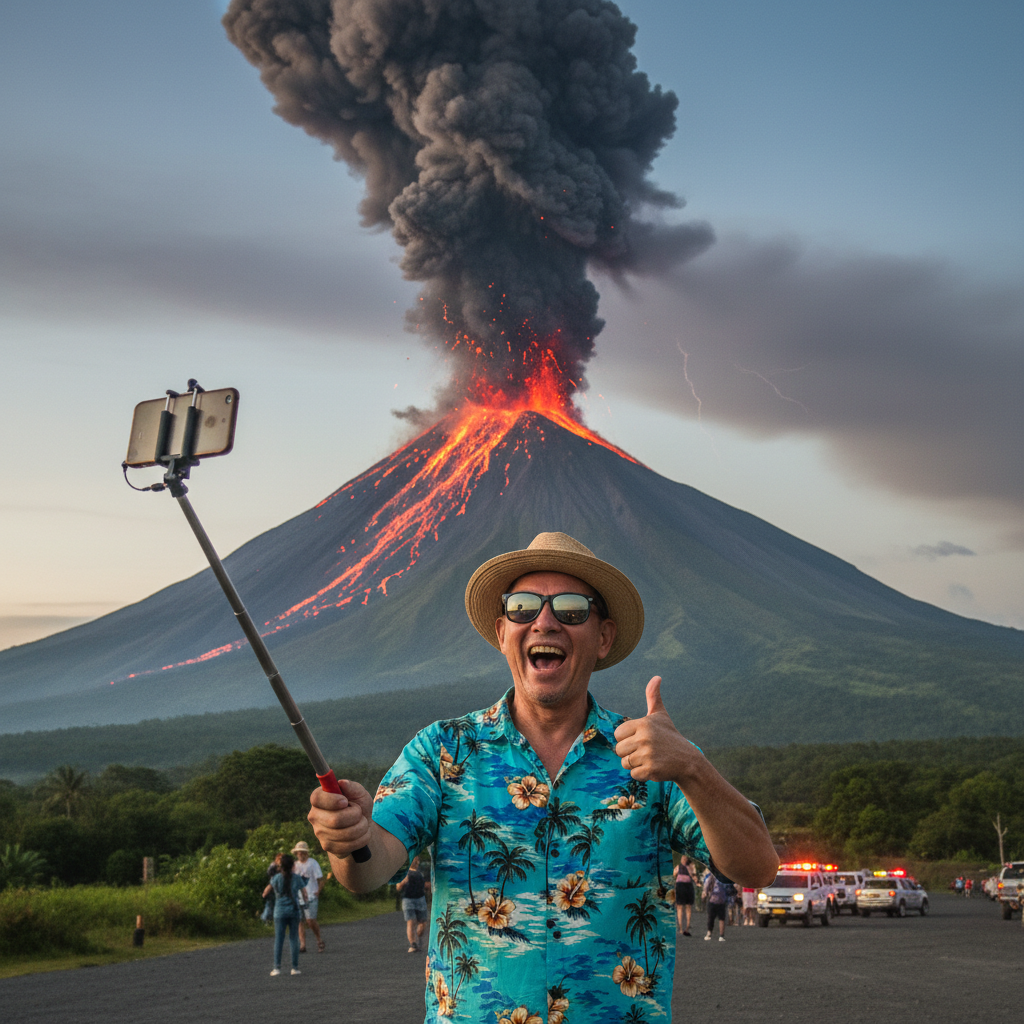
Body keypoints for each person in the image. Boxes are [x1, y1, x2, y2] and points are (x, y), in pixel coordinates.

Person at [308, 532, 778, 1021]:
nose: (545, 621)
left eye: (572, 609)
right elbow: (366, 871)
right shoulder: (443, 751)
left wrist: (695, 769)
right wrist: (350, 837)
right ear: (501, 631)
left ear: (604, 637)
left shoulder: (655, 756)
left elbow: (757, 868)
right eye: (523, 607)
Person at [262, 853, 307, 976]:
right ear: (292, 866)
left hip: (279, 912)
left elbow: (265, 893)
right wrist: (306, 904)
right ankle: (295, 968)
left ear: (281, 866)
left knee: (279, 939)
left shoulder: (276, 878)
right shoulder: (297, 878)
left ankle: (276, 968)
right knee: (294, 938)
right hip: (294, 911)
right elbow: (305, 894)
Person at [291, 841, 325, 953]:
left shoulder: (312, 863)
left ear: (306, 853)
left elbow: (320, 879)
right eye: (298, 852)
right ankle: (303, 945)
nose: (300, 854)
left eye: (302, 852)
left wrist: (318, 891)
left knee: (310, 920)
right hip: (298, 897)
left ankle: (319, 939)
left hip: (311, 895)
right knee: (299, 921)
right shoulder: (295, 866)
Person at [396, 854, 431, 952]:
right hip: (408, 899)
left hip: (420, 898)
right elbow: (398, 887)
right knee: (411, 921)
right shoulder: (404, 873)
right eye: (413, 860)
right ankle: (413, 944)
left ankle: (418, 938)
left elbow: (427, 885)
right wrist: (403, 881)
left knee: (423, 923)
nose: (415, 862)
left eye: (417, 860)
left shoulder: (422, 872)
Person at [704, 873, 730, 941]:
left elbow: (707, 885)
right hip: (720, 900)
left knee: (713, 918)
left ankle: (711, 933)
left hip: (714, 899)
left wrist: (705, 892)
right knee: (719, 918)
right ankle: (719, 935)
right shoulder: (723, 877)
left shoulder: (712, 876)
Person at [674, 857, 695, 936]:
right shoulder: (678, 867)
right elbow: (674, 874)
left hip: (687, 887)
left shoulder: (690, 867)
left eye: (685, 859)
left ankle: (687, 926)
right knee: (680, 907)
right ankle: (681, 927)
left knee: (688, 907)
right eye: (682, 858)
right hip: (680, 887)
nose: (683, 860)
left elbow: (693, 875)